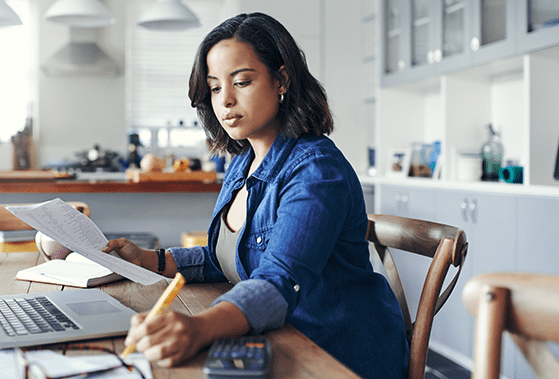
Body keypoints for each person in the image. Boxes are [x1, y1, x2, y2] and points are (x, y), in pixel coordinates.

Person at [104, 12, 409, 378]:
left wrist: (200, 327)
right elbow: (228, 259)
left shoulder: (316, 171)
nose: (226, 101)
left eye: (242, 82)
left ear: (281, 80)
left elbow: (278, 278)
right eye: (216, 88)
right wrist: (150, 260)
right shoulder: (242, 162)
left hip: (335, 354)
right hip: (281, 338)